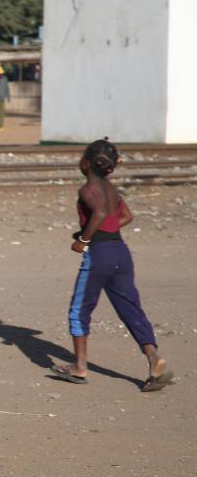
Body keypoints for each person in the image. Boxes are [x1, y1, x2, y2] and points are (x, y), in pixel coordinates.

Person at [52, 139, 173, 392]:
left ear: (86, 163)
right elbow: (125, 216)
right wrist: (98, 231)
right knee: (130, 309)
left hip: (100, 255)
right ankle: (154, 358)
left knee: (79, 309)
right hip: (121, 252)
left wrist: (84, 240)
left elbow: (98, 214)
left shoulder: (88, 189)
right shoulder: (112, 190)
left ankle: (80, 366)